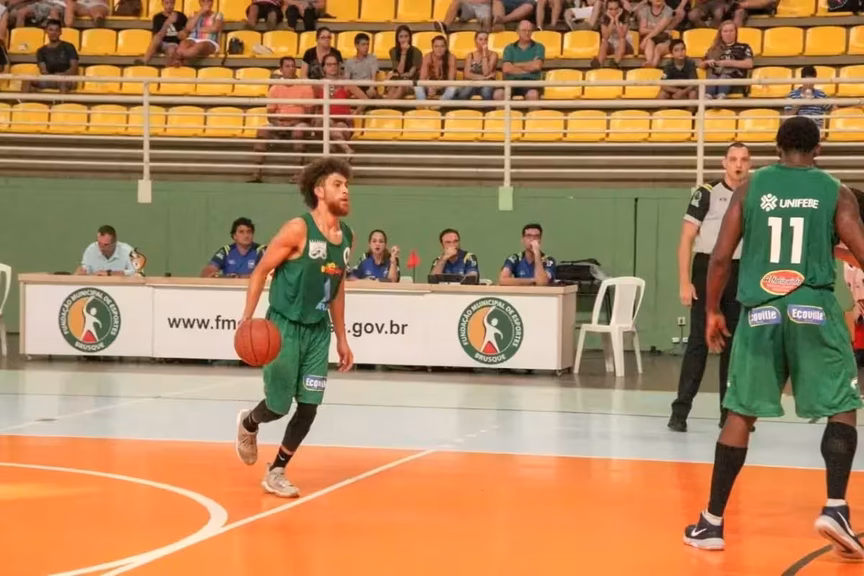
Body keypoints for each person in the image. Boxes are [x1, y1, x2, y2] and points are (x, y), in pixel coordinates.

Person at [683, 116, 864, 559]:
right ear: (817, 150)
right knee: (842, 405)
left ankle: (711, 523)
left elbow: (720, 257)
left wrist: (711, 311)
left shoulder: (751, 188)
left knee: (740, 413)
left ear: (777, 148)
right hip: (814, 309)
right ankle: (835, 507)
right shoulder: (836, 191)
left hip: (761, 311)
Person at [234, 158, 355, 498]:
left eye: (347, 185)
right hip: (283, 327)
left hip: (318, 330)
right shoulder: (297, 229)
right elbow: (260, 271)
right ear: (319, 191)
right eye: (337, 185)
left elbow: (337, 288)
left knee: (309, 405)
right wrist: (247, 318)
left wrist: (342, 338)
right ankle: (249, 423)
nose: (345, 190)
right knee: (278, 406)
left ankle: (277, 471)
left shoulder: (346, 236)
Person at [668, 142, 750, 432]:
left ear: (749, 164)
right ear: (724, 163)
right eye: (733, 159)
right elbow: (686, 239)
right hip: (707, 268)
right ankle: (680, 412)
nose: (738, 164)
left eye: (743, 159)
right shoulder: (706, 193)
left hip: (739, 270)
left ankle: (728, 414)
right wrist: (684, 281)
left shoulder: (754, 194)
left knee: (734, 344)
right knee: (699, 342)